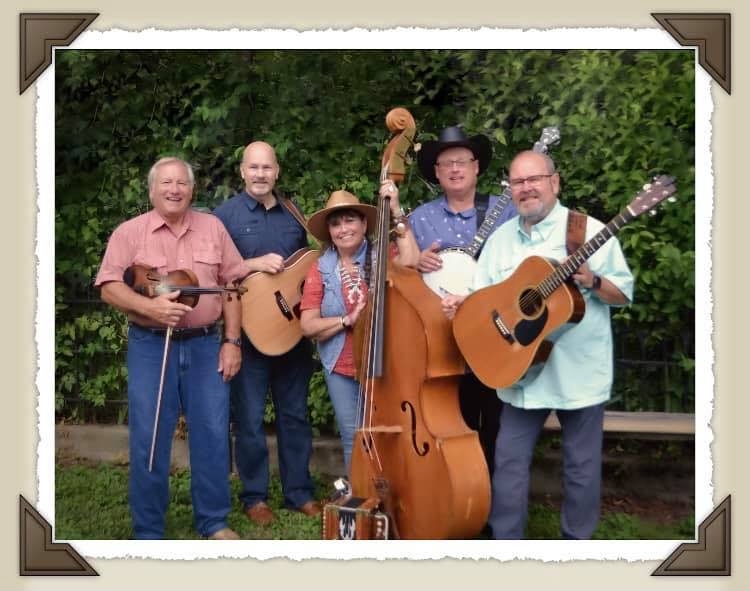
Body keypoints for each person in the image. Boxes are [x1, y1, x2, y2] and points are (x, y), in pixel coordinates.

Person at [442, 150, 634, 539]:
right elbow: (486, 300)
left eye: (534, 179)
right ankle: (506, 543)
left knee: (580, 467)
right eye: (518, 182)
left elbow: (622, 294)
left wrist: (592, 281)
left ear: (554, 182)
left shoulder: (588, 232)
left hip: (579, 374)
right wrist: (465, 306)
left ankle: (575, 546)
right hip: (520, 373)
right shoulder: (499, 240)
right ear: (510, 190)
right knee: (508, 462)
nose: (526, 188)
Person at [95, 156, 246, 540]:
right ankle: (148, 529)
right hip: (150, 345)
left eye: (181, 183)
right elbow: (109, 286)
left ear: (192, 189)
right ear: (152, 190)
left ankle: (213, 521)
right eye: (166, 183)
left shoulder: (213, 227)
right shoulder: (130, 233)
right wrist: (150, 307)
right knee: (149, 435)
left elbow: (231, 286)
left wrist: (232, 341)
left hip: (205, 345)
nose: (174, 189)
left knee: (212, 433)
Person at [213, 141, 319, 526]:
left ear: (277, 171)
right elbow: (214, 272)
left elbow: (307, 271)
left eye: (267, 168)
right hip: (248, 336)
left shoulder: (294, 215)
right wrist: (252, 263)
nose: (260, 174)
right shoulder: (224, 216)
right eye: (253, 167)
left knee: (295, 416)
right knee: (250, 420)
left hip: (291, 335)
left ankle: (299, 493)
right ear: (242, 171)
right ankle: (255, 497)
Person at [411, 126, 517, 475]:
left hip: (496, 338)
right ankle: (459, 500)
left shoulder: (506, 213)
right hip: (444, 346)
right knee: (454, 426)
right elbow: (393, 271)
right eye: (446, 163)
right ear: (437, 173)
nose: (455, 168)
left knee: (498, 428)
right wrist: (414, 261)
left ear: (476, 168)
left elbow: (524, 267)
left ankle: (494, 508)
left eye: (461, 161)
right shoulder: (420, 219)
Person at [298, 183, 419, 473]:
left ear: (364, 223)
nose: (343, 229)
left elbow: (412, 260)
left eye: (350, 219)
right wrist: (345, 320)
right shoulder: (320, 268)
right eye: (336, 223)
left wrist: (396, 211)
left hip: (384, 364)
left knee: (390, 436)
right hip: (342, 366)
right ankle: (362, 502)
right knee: (355, 439)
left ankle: (394, 500)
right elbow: (308, 325)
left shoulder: (383, 256)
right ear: (329, 231)